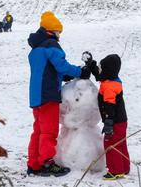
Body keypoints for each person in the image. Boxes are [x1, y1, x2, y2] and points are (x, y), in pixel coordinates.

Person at [26, 11, 91, 177]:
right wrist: (80, 72)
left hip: (36, 96)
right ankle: (47, 163)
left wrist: (67, 75)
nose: (59, 35)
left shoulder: (36, 49)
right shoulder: (51, 45)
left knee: (38, 131)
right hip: (48, 95)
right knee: (49, 131)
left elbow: (50, 70)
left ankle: (34, 164)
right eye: (58, 32)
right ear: (51, 31)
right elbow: (61, 66)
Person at [86, 53, 130, 181]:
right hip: (121, 120)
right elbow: (100, 75)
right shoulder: (112, 80)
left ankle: (116, 171)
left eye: (101, 67)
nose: (99, 70)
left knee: (111, 145)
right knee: (121, 144)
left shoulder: (109, 87)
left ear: (107, 70)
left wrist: (109, 123)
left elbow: (110, 106)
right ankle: (124, 168)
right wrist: (91, 64)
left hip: (114, 121)